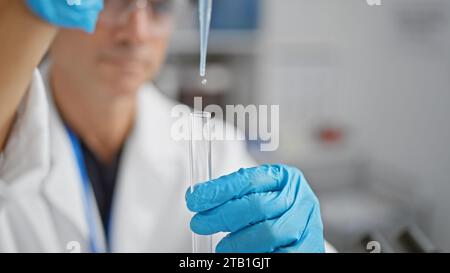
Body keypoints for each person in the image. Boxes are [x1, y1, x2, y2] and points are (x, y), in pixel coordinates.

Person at [0, 0, 326, 253]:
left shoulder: (210, 147)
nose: (137, 32)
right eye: (113, 1)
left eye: (160, 6)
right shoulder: (8, 136)